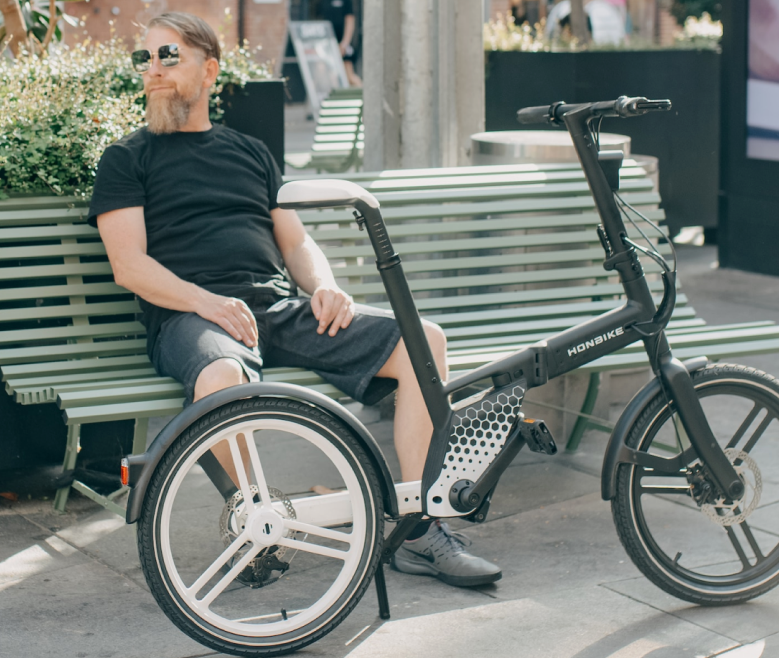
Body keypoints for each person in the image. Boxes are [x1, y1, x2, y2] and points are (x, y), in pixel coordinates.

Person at [88, 12, 499, 588]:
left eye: (167, 57)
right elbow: (129, 265)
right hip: (190, 319)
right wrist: (206, 302)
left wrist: (327, 285)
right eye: (145, 58)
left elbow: (297, 241)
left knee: (423, 341)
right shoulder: (127, 159)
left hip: (275, 311)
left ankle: (420, 526)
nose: (152, 70)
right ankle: (254, 524)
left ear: (209, 71)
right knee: (223, 376)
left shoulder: (250, 153)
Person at [318, 0, 362, 87]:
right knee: (326, 75)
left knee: (349, 77)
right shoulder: (323, 2)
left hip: (342, 45)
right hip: (327, 45)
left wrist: (344, 44)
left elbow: (350, 21)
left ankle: (366, 96)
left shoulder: (346, 1)